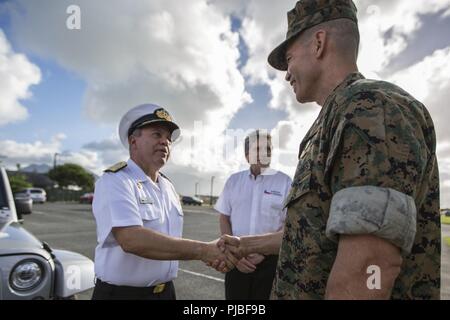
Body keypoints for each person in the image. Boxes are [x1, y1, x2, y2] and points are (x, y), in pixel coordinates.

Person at [264, 0, 440, 299]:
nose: (287, 74)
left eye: (289, 59)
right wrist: (245, 245)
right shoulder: (336, 116)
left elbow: (369, 268)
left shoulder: (371, 109)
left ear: (318, 43)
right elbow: (314, 235)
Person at [91, 103, 231, 300]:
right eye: (157, 134)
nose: (165, 142)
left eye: (168, 138)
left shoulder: (168, 186)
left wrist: (213, 254)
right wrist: (203, 251)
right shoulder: (115, 180)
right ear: (133, 141)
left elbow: (167, 241)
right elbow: (131, 239)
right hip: (123, 295)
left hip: (165, 293)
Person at [214, 130, 292, 299]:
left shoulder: (285, 182)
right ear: (246, 154)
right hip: (236, 261)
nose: (264, 153)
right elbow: (224, 217)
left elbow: (289, 224)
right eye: (258, 148)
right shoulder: (234, 181)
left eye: (268, 149)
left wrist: (263, 250)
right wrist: (234, 254)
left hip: (270, 262)